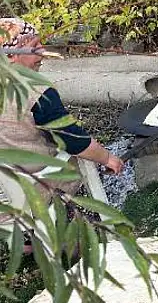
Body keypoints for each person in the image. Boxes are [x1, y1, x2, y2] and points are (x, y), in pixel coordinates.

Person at [0, 18, 124, 196]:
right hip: (35, 191)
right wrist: (107, 158)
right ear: (11, 55)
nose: (42, 51)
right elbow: (74, 140)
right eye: (35, 46)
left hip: (6, 199)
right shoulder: (37, 93)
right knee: (75, 158)